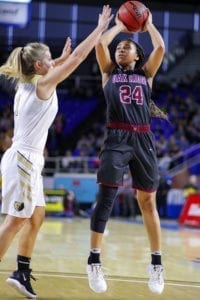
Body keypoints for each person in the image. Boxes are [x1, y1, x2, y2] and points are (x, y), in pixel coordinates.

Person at [0, 5, 112, 299]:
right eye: (48, 58)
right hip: (23, 159)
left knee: (36, 217)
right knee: (15, 221)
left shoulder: (29, 81)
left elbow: (60, 62)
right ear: (38, 66)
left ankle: (21, 272)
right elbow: (76, 58)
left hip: (27, 160)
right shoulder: (43, 83)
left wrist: (56, 59)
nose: (54, 61)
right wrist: (99, 29)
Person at [86, 9, 165, 295]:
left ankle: (156, 264)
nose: (121, 48)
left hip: (143, 139)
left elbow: (160, 47)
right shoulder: (109, 74)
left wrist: (150, 24)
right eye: (119, 46)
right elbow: (99, 45)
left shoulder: (147, 75)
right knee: (105, 197)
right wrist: (117, 26)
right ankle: (94, 260)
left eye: (126, 46)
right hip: (116, 137)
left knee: (148, 203)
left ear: (136, 56)